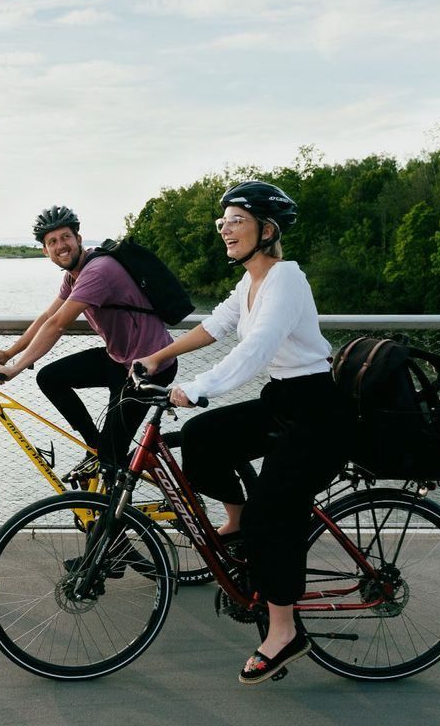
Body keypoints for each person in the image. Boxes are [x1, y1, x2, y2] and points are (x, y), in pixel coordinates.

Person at [134, 180, 348, 685]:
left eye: (237, 220)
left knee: (277, 512)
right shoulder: (250, 282)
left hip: (316, 410)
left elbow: (254, 351)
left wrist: (197, 387)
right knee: (206, 440)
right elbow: (216, 326)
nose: (225, 229)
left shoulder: (286, 280)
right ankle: (239, 522)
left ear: (266, 230)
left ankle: (283, 632)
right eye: (222, 221)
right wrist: (160, 356)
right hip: (282, 399)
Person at [0, 205, 178, 471]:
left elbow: (58, 324)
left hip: (150, 366)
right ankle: (97, 448)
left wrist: (15, 368)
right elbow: (46, 317)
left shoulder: (98, 270)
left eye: (65, 237)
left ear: (78, 239)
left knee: (112, 457)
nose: (60, 245)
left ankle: (115, 500)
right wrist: (9, 353)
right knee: (50, 377)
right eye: (52, 241)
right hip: (119, 360)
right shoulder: (73, 276)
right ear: (45, 250)